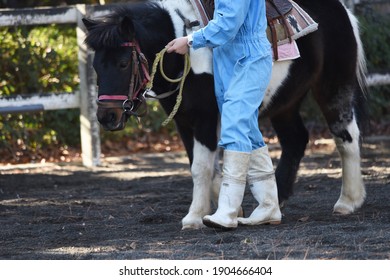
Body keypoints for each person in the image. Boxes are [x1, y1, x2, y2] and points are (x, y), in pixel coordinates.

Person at [166, 0, 282, 229]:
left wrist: (190, 40)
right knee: (247, 129)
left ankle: (227, 210)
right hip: (227, 59)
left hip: (247, 58)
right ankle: (269, 205)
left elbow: (228, 24)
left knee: (235, 126)